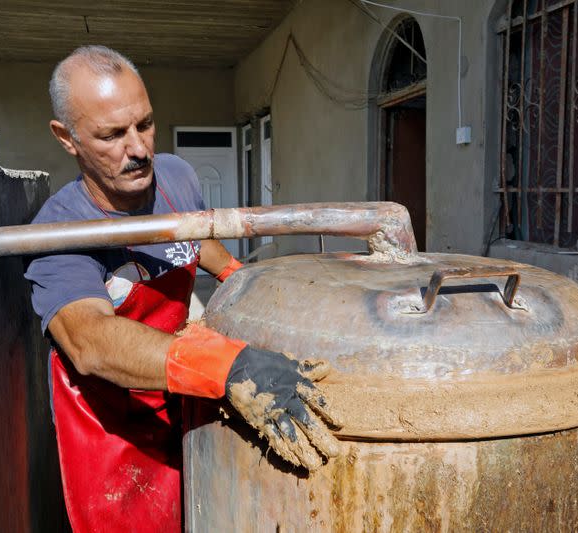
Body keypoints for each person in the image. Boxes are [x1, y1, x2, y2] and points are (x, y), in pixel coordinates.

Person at [24, 45, 341, 532]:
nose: (138, 150)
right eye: (112, 135)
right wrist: (227, 364)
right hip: (113, 431)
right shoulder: (59, 231)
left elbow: (196, 243)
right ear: (67, 138)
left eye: (144, 124)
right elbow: (89, 340)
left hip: (181, 394)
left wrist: (243, 280)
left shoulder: (176, 175)